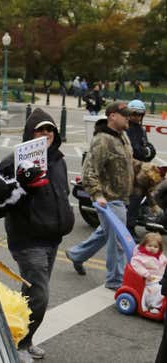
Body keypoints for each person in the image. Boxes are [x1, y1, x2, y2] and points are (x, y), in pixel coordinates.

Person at [0, 109, 74, 361]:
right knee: (40, 295)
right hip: (28, 240)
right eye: (39, 130)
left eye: (49, 129)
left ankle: (22, 337)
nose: (45, 134)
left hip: (53, 239)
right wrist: (19, 183)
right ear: (30, 133)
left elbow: (62, 195)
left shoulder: (59, 160)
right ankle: (17, 345)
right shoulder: (14, 161)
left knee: (32, 294)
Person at [66, 101, 137, 290]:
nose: (128, 117)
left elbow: (127, 164)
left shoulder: (123, 136)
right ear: (112, 116)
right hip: (109, 199)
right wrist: (97, 195)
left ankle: (76, 254)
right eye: (125, 114)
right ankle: (116, 280)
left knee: (105, 234)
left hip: (121, 197)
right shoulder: (102, 140)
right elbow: (89, 171)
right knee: (119, 241)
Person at [125, 99, 155, 236]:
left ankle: (152, 215)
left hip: (141, 166)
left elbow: (148, 148)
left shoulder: (141, 130)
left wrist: (147, 151)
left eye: (139, 114)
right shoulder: (127, 129)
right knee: (137, 192)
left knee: (158, 181)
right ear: (129, 114)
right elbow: (135, 151)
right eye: (134, 113)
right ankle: (129, 226)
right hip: (128, 166)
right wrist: (145, 151)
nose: (137, 116)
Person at [130, 232, 167, 314]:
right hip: (149, 279)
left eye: (155, 246)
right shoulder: (140, 257)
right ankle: (155, 306)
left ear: (159, 248)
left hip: (160, 278)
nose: (152, 248)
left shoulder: (161, 257)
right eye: (149, 245)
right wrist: (147, 274)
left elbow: (165, 265)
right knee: (162, 289)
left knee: (164, 285)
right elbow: (137, 266)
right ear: (144, 245)